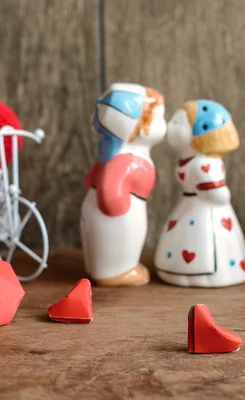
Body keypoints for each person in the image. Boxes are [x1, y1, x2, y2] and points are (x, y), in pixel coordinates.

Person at [154, 100, 245, 287]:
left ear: (200, 134)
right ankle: (180, 269)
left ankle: (207, 271)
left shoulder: (203, 165)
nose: (169, 126)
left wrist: (216, 193)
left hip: (207, 210)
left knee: (204, 241)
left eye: (177, 123)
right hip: (190, 205)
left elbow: (220, 195)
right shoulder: (188, 161)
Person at [81, 82, 166, 286]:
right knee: (115, 250)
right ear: (139, 126)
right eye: (159, 118)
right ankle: (116, 271)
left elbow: (89, 181)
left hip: (99, 216)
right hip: (117, 221)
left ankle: (101, 268)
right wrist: (119, 209)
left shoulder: (108, 159)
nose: (164, 123)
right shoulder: (124, 161)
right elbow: (110, 197)